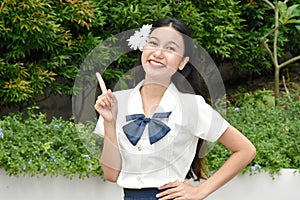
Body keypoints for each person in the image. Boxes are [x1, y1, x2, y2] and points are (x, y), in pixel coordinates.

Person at [94, 18, 256, 200]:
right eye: (153, 43)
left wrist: (200, 191)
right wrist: (109, 121)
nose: (158, 53)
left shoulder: (192, 106)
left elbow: (245, 150)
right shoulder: (118, 102)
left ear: (182, 62)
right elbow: (111, 175)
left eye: (171, 48)